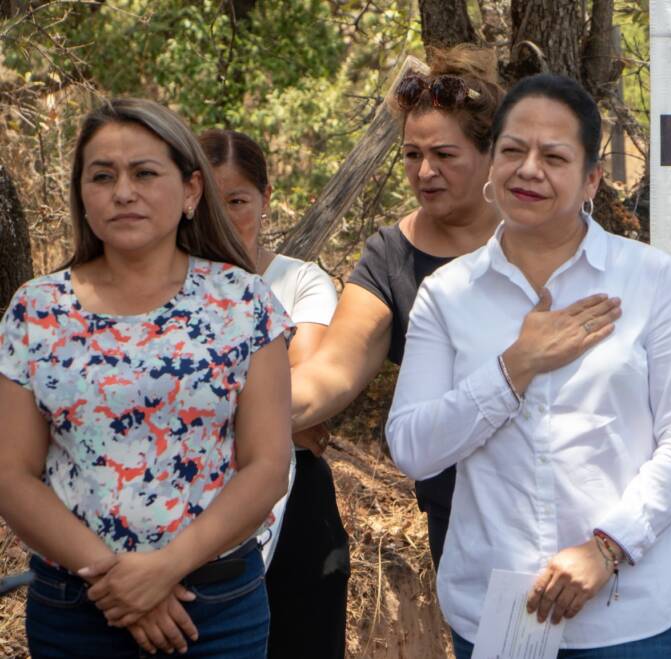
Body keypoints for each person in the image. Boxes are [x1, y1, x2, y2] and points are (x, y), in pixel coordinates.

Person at [386, 73, 671, 658]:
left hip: (623, 611)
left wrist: (608, 547)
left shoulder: (647, 279)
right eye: (513, 150)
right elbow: (413, 447)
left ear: (592, 177)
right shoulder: (448, 294)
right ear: (492, 163)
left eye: (554, 156)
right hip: (498, 611)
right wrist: (516, 365)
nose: (528, 169)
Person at [0, 98, 293, 658]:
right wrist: (119, 581)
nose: (123, 191)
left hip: (216, 609)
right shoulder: (37, 309)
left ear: (189, 192)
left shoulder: (243, 301)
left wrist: (165, 570)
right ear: (82, 195)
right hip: (77, 610)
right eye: (102, 176)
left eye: (144, 173)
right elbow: (12, 474)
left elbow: (268, 466)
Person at [289, 47, 503, 569]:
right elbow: (330, 374)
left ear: (494, 154)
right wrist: (223, 406)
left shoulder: (544, 239)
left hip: (570, 508)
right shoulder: (391, 256)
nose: (425, 171)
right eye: (412, 155)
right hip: (457, 516)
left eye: (445, 155)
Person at [198, 128, 346, 659]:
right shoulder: (162, 287)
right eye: (210, 201)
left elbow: (306, 388)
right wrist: (275, 407)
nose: (222, 216)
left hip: (297, 500)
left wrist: (196, 404)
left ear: (265, 197)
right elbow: (287, 408)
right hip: (191, 501)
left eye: (236, 200)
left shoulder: (302, 282)